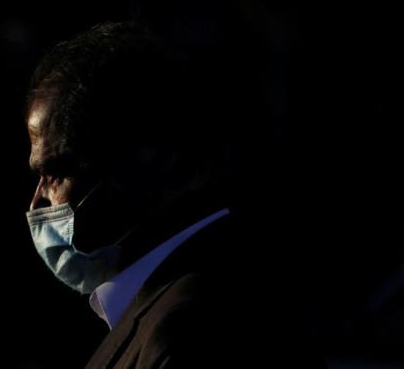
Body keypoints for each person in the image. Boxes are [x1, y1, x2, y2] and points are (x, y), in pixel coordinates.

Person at [23, 20, 327, 368]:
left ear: (141, 160)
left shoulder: (194, 330)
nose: (38, 201)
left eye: (56, 173)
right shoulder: (189, 305)